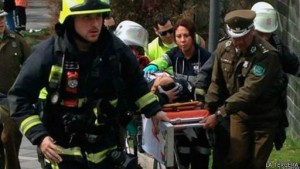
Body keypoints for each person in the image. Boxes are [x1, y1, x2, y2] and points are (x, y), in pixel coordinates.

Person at [7, 0, 168, 169]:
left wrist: (154, 110)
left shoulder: (114, 48)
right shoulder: (50, 53)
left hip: (108, 150)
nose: (95, 24)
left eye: (98, 16)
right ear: (70, 19)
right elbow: (19, 97)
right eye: (87, 17)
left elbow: (135, 81)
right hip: (64, 153)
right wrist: (40, 137)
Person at [202, 9, 286, 169]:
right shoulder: (223, 49)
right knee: (236, 159)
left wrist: (219, 113)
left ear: (252, 32)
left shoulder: (267, 55)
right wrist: (208, 108)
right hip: (239, 115)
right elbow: (216, 82)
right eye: (235, 38)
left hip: (264, 118)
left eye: (242, 38)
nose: (238, 42)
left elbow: (249, 92)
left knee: (257, 163)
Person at [144, 18, 212, 169]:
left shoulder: (206, 58)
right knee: (178, 156)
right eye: (179, 37)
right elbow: (156, 64)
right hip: (177, 114)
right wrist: (153, 75)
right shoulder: (173, 54)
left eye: (186, 36)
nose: (182, 40)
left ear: (193, 37)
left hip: (198, 114)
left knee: (200, 156)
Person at [251, 2, 300, 150]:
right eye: (260, 34)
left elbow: (295, 66)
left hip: (268, 115)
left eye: (268, 34)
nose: (265, 38)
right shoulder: (237, 45)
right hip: (243, 112)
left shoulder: (277, 46)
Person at [0, 8, 31, 169]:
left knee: (10, 136)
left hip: (10, 98)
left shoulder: (17, 40)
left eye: (3, 19)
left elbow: (31, 67)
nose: (1, 22)